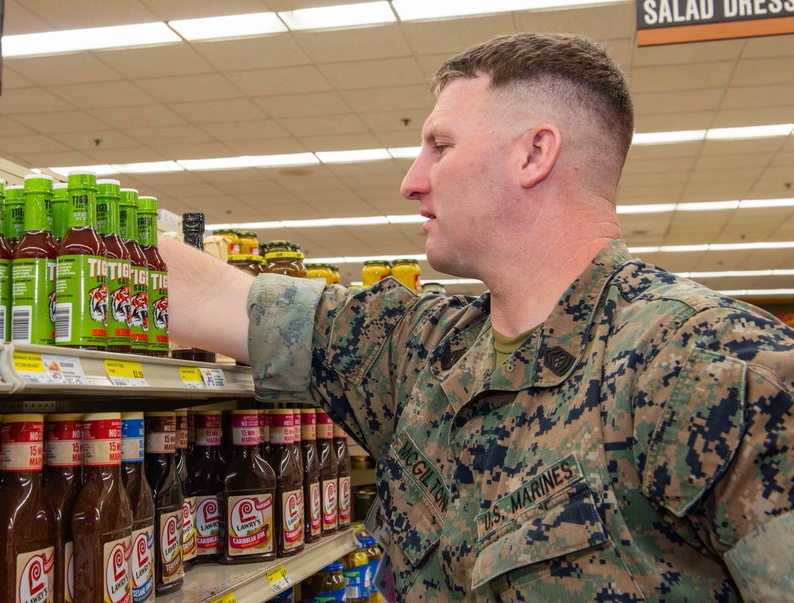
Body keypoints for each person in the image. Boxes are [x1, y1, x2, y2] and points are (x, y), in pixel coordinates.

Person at [164, 32, 794, 602]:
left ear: (534, 155)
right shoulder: (417, 352)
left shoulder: (719, 371)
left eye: (440, 145)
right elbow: (214, 300)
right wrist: (86, 235)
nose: (412, 181)